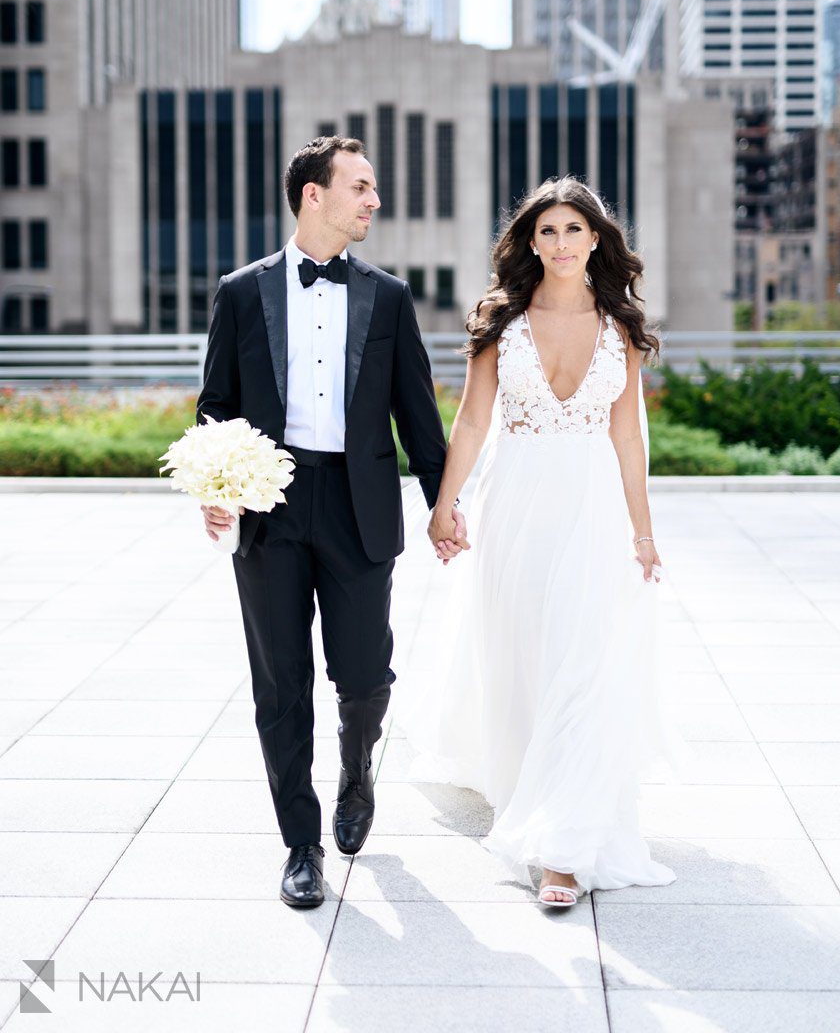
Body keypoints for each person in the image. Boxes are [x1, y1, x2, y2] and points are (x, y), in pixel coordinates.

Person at [197, 136, 467, 909]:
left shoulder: (389, 297)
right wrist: (218, 484)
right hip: (270, 513)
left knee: (362, 673)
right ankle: (301, 845)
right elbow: (216, 404)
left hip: (360, 508)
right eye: (360, 187)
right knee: (280, 684)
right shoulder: (242, 293)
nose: (372, 201)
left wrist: (442, 506)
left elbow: (418, 414)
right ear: (313, 195)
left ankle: (357, 769)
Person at [409, 176, 682, 907]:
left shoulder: (619, 326)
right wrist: (446, 505)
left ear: (597, 239)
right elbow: (469, 423)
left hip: (591, 506)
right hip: (515, 504)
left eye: (574, 230)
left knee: (580, 662)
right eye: (548, 231)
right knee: (523, 656)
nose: (561, 243)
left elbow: (627, 436)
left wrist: (644, 533)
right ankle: (526, 793)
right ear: (531, 242)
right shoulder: (503, 322)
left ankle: (564, 849)